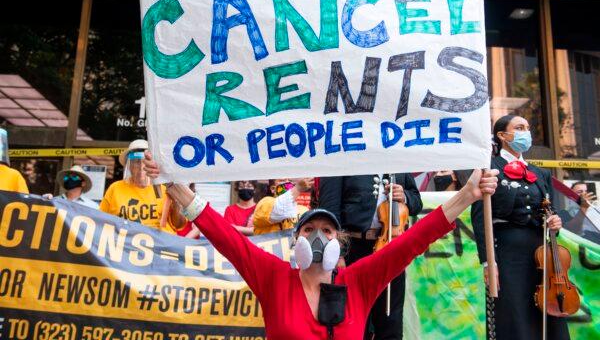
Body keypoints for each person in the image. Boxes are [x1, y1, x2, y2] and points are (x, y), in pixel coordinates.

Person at [143, 151, 498, 340]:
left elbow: (414, 241)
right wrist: (172, 183)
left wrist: (468, 193)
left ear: (339, 241)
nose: (317, 236)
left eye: (327, 231)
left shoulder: (359, 280)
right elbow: (225, 236)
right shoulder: (273, 278)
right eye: (308, 228)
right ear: (296, 239)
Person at [471, 114, 568, 340]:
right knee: (513, 315)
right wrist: (488, 261)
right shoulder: (489, 168)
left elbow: (550, 210)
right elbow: (479, 218)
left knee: (547, 315)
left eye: (527, 127)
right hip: (507, 253)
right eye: (519, 127)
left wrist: (554, 223)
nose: (526, 131)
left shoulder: (541, 173)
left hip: (542, 256)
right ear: (502, 135)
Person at [318, 173, 423, 340]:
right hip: (353, 249)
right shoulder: (343, 155)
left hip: (390, 247)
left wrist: (405, 196)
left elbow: (417, 201)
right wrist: (338, 253)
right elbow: (329, 210)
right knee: (354, 320)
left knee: (391, 322)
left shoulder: (398, 157)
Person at [100, 139, 186, 234]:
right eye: (136, 162)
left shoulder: (165, 187)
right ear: (129, 166)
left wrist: (176, 203)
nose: (141, 167)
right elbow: (100, 222)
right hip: (125, 246)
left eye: (145, 162)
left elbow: (179, 225)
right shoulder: (115, 189)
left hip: (159, 246)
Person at [0, 128, 29, 193]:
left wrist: (44, 200)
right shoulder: (14, 174)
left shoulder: (14, 175)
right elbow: (25, 199)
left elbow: (25, 199)